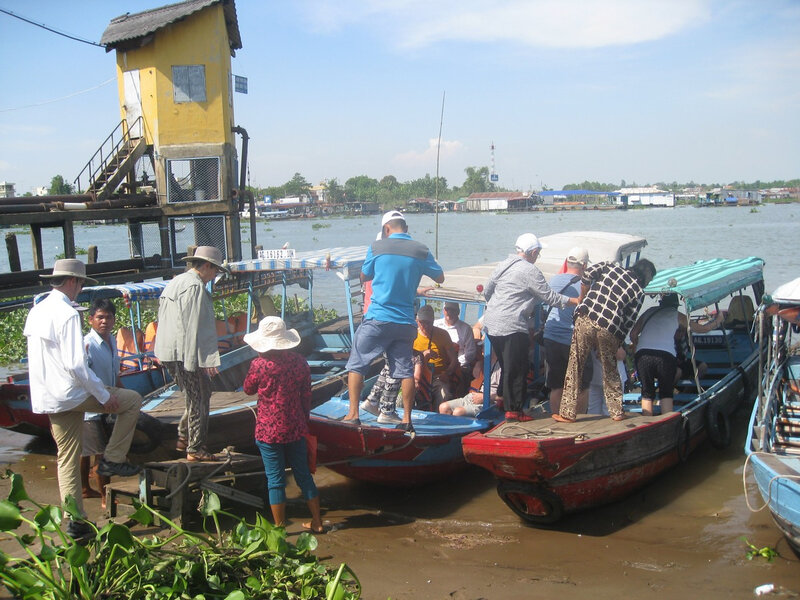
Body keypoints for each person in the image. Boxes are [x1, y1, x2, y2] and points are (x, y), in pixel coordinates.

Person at [24, 259, 142, 539]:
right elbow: (77, 366)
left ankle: (75, 521)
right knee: (132, 400)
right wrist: (104, 396)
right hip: (70, 393)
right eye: (80, 284)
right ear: (73, 282)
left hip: (48, 397)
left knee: (66, 458)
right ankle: (113, 458)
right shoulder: (67, 313)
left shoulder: (36, 311)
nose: (79, 291)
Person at [344, 211, 444, 431]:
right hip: (405, 322)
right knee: (404, 371)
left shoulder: (376, 247)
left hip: (377, 318)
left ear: (386, 229)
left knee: (357, 364)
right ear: (406, 229)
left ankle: (353, 415)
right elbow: (440, 277)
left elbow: (364, 276)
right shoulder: (421, 250)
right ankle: (407, 420)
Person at [483, 233, 578, 422]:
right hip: (511, 324)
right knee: (518, 367)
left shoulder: (503, 264)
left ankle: (502, 398)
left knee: (505, 363)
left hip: (491, 322)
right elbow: (549, 296)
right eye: (538, 254)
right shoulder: (530, 271)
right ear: (533, 252)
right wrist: (574, 300)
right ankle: (514, 411)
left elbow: (487, 291)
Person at [242, 316, 324, 534]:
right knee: (303, 474)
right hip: (295, 426)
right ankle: (317, 521)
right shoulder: (299, 362)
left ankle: (279, 528)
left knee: (275, 480)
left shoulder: (259, 365)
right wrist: (304, 420)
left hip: (268, 430)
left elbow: (248, 389)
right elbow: (306, 394)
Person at [554, 258, 656, 424]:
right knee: (610, 370)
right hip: (610, 326)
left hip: (585, 317)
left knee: (575, 366)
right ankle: (616, 412)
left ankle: (567, 413)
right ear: (646, 276)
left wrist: (583, 296)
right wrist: (616, 343)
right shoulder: (638, 292)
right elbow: (628, 322)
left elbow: (587, 275)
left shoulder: (610, 266)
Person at [154, 245, 227, 462]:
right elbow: (193, 325)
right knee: (198, 398)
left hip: (169, 351)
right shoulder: (194, 287)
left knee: (201, 392)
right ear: (206, 266)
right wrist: (198, 361)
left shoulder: (176, 281)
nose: (214, 276)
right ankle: (194, 447)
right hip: (183, 353)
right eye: (214, 271)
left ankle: (184, 436)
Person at [629, 293, 724, 415]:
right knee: (666, 392)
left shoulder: (650, 311)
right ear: (675, 305)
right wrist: (718, 321)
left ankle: (645, 423)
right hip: (664, 356)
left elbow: (632, 335)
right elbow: (702, 329)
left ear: (661, 303)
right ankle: (667, 423)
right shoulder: (677, 315)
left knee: (647, 392)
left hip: (642, 355)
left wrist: (641, 346)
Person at [541, 247, 593, 416]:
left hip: (551, 338)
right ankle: (579, 419)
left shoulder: (553, 281)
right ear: (584, 265)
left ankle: (557, 418)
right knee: (582, 385)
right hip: (574, 340)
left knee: (557, 385)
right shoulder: (586, 286)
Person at [81, 298, 122, 508]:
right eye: (100, 317)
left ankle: (85, 489)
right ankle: (105, 496)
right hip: (92, 407)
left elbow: (116, 374)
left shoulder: (112, 341)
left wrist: (127, 396)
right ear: (91, 320)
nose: (104, 321)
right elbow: (84, 376)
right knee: (99, 452)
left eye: (108, 317)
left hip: (110, 402)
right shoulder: (87, 344)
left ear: (114, 319)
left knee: (90, 450)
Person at [412, 304, 458, 411]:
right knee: (409, 390)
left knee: (444, 394)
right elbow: (406, 359)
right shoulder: (412, 335)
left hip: (438, 375)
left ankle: (439, 418)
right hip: (417, 374)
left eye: (428, 323)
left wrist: (446, 373)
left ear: (433, 321)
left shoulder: (443, 334)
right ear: (417, 321)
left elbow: (453, 360)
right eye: (422, 323)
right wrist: (423, 355)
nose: (425, 326)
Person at [439, 350, 501, 417]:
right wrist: (479, 363)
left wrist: (486, 397)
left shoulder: (505, 367)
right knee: (443, 407)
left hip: (492, 402)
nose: (482, 349)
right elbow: (475, 376)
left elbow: (508, 397)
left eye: (484, 347)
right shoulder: (486, 362)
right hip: (476, 395)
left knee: (458, 412)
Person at [434, 302, 478, 397]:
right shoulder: (435, 324)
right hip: (436, 364)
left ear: (458, 312)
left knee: (463, 374)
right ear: (443, 311)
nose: (449, 312)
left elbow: (470, 353)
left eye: (453, 310)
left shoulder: (466, 328)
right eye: (447, 310)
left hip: (459, 365)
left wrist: (455, 364)